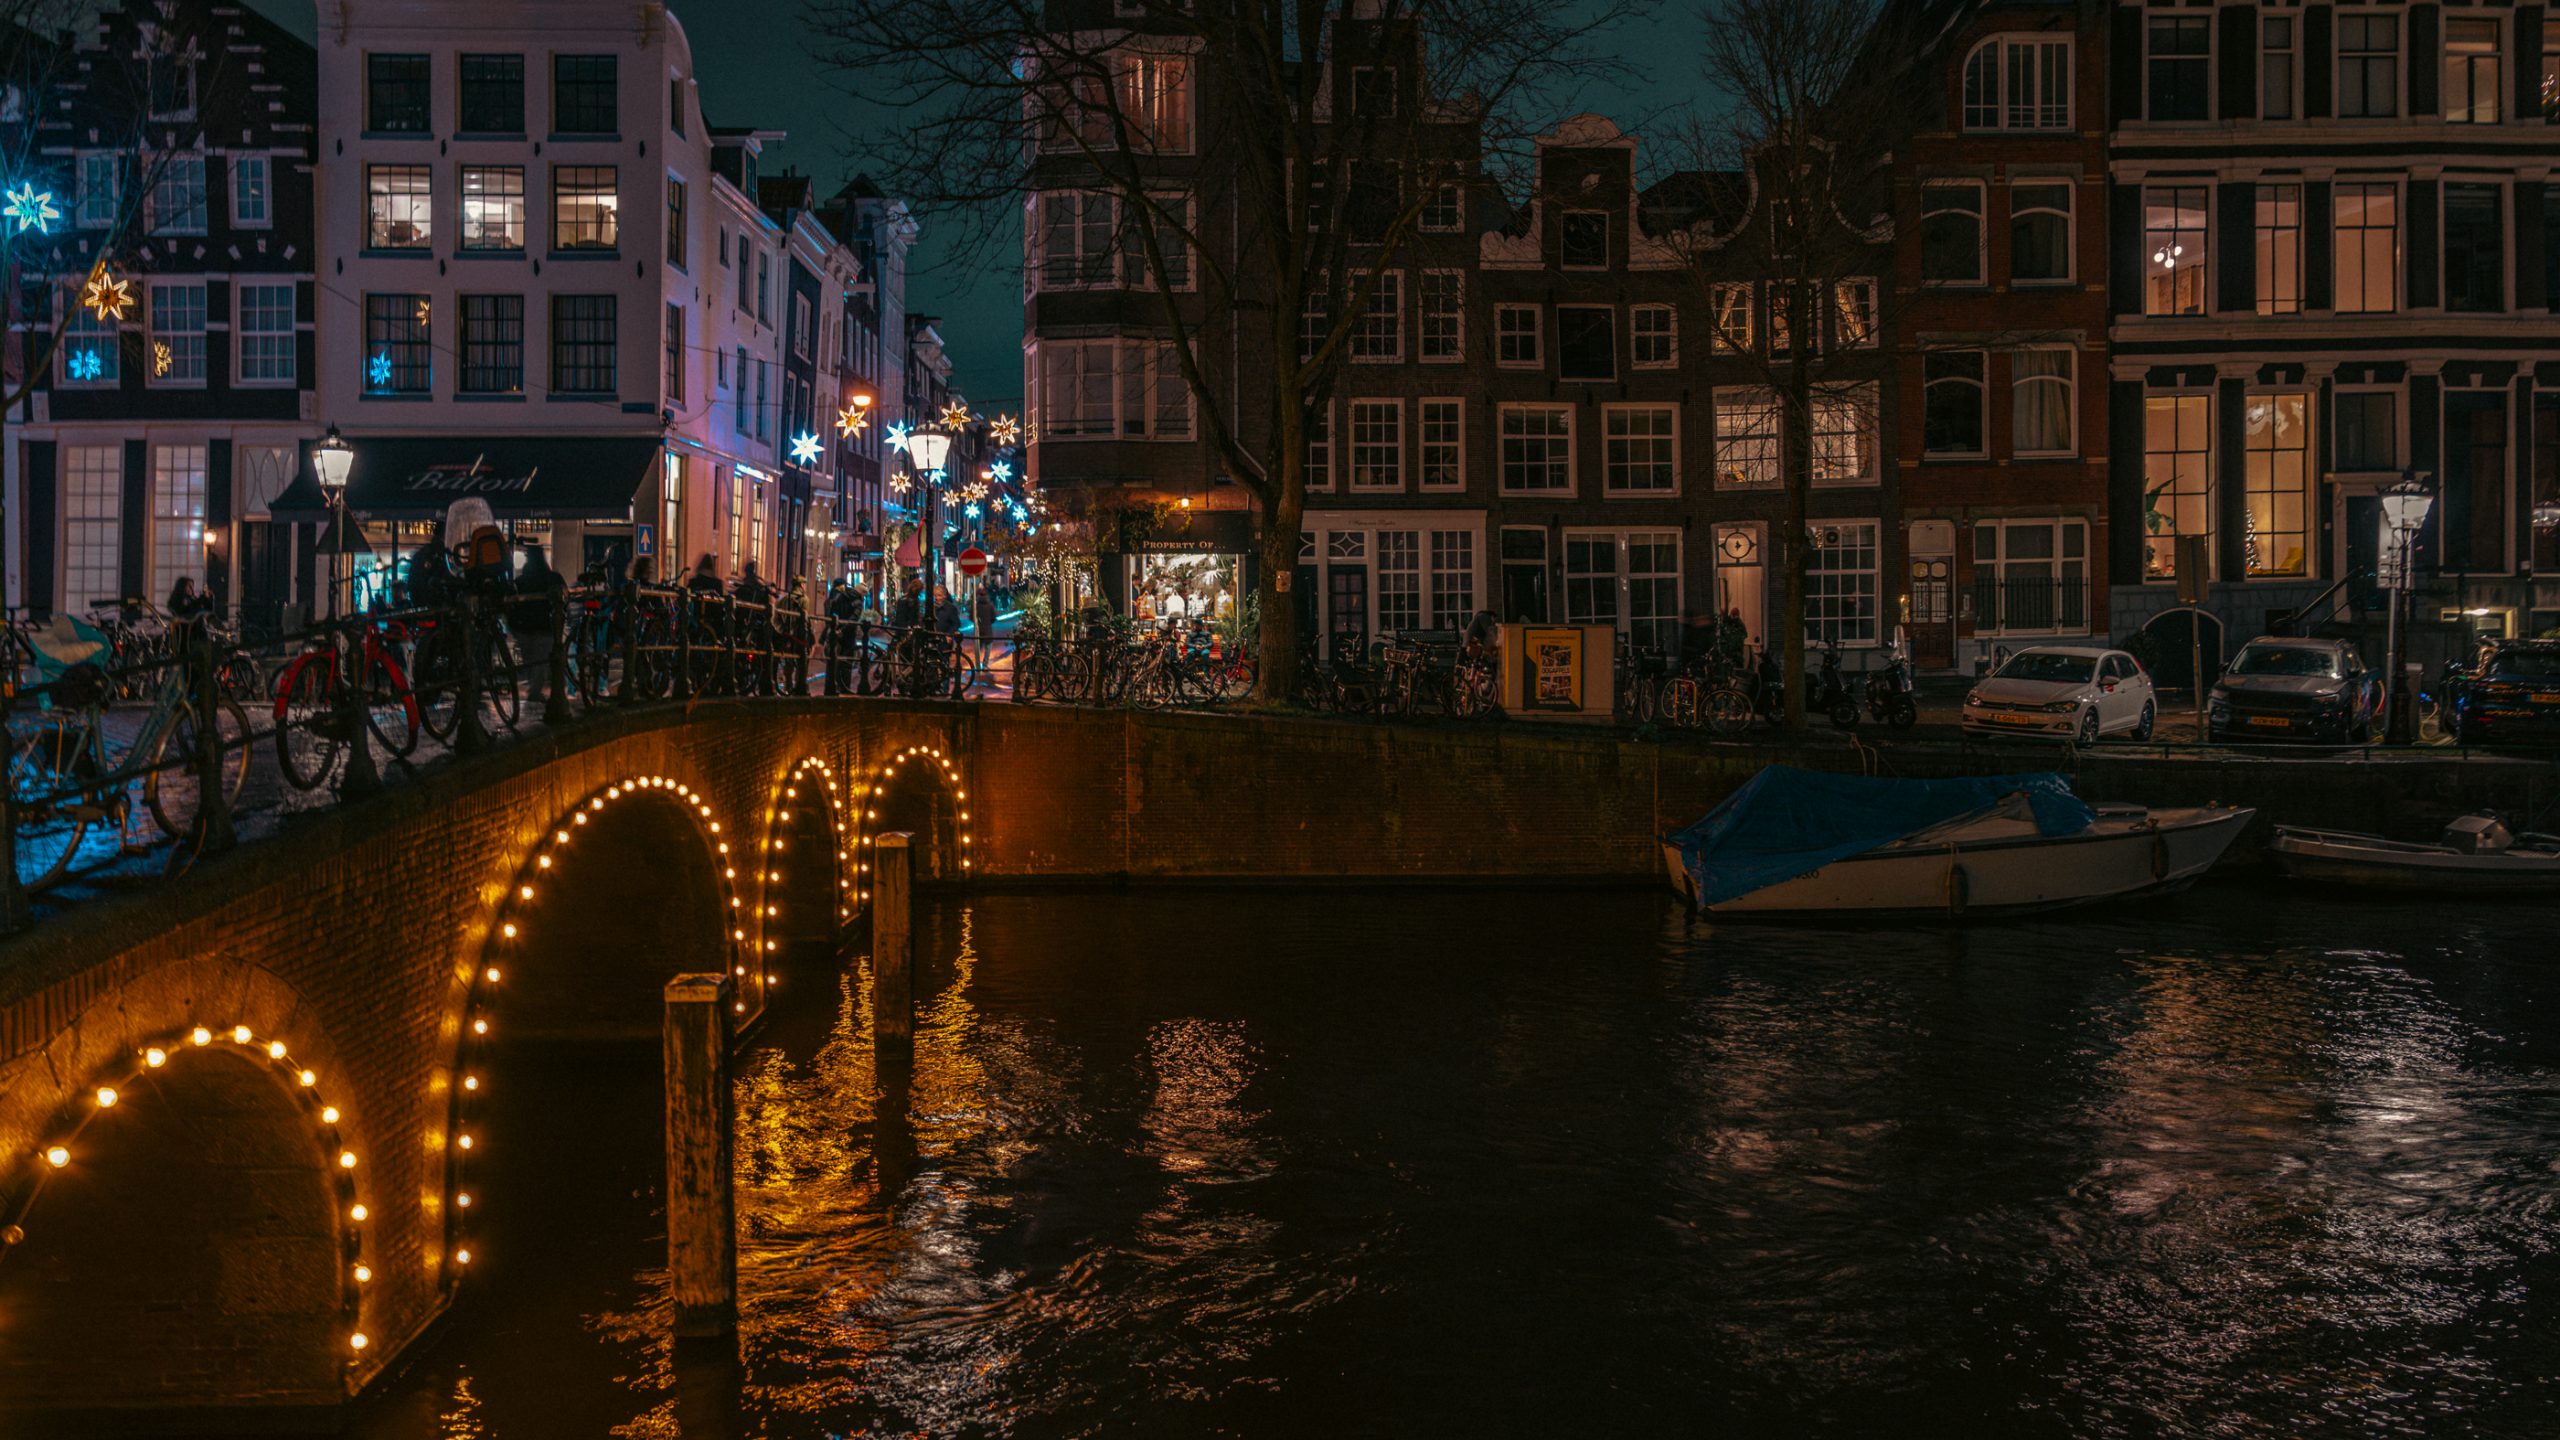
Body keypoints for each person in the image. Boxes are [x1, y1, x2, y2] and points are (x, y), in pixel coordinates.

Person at [510, 543, 566, 672]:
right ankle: (537, 690)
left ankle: (535, 690)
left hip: (525, 627)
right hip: (546, 625)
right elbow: (564, 597)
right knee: (541, 665)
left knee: (531, 664)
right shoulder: (553, 578)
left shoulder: (520, 581)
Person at [972, 583, 999, 671]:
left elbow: (971, 616)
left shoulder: (976, 606)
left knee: (978, 648)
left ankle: (977, 665)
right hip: (988, 629)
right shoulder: (990, 605)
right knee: (988, 648)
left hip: (978, 629)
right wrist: (988, 622)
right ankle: (985, 664)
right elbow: (994, 617)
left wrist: (977, 623)